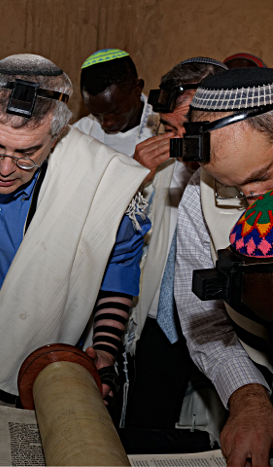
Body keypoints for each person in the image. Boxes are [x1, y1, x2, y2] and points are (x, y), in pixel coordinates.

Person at [0, 54, 151, 405]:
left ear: (57, 137)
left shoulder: (101, 179)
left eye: (27, 153)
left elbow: (116, 274)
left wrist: (104, 349)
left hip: (26, 373)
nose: (5, 168)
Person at [174, 67, 273, 466]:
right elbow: (207, 321)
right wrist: (249, 397)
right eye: (234, 188)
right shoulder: (199, 197)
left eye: (262, 176)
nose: (250, 197)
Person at [123, 57, 228, 431]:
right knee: (145, 428)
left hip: (223, 323)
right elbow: (123, 239)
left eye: (192, 127)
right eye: (170, 128)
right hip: (160, 320)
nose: (181, 139)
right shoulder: (159, 162)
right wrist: (132, 178)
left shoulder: (250, 172)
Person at [75, 49, 158, 157]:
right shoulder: (79, 134)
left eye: (116, 111)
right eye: (96, 115)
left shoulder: (167, 126)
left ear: (137, 89)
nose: (105, 123)